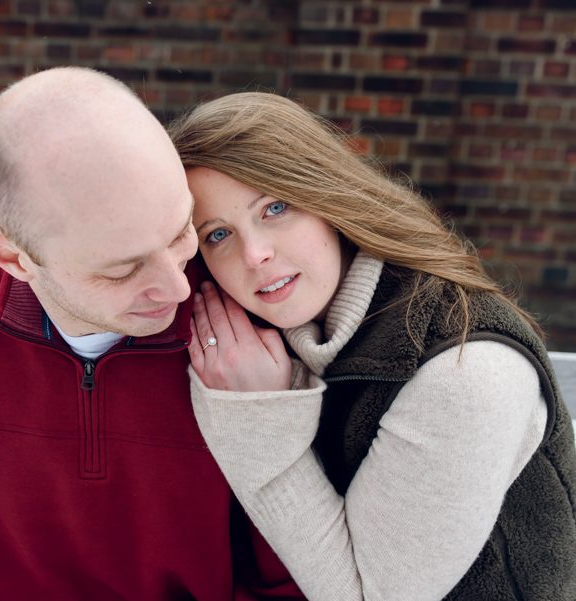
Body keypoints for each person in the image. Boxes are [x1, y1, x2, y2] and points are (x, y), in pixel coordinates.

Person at [0, 68, 304, 600]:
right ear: (14, 260)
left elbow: (291, 560)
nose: (176, 286)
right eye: (122, 270)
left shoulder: (245, 304)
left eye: (181, 231)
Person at [167, 92, 576, 601]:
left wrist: (255, 416)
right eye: (219, 234)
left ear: (328, 199)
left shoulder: (466, 370)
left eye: (275, 207)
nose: (255, 255)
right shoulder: (261, 340)